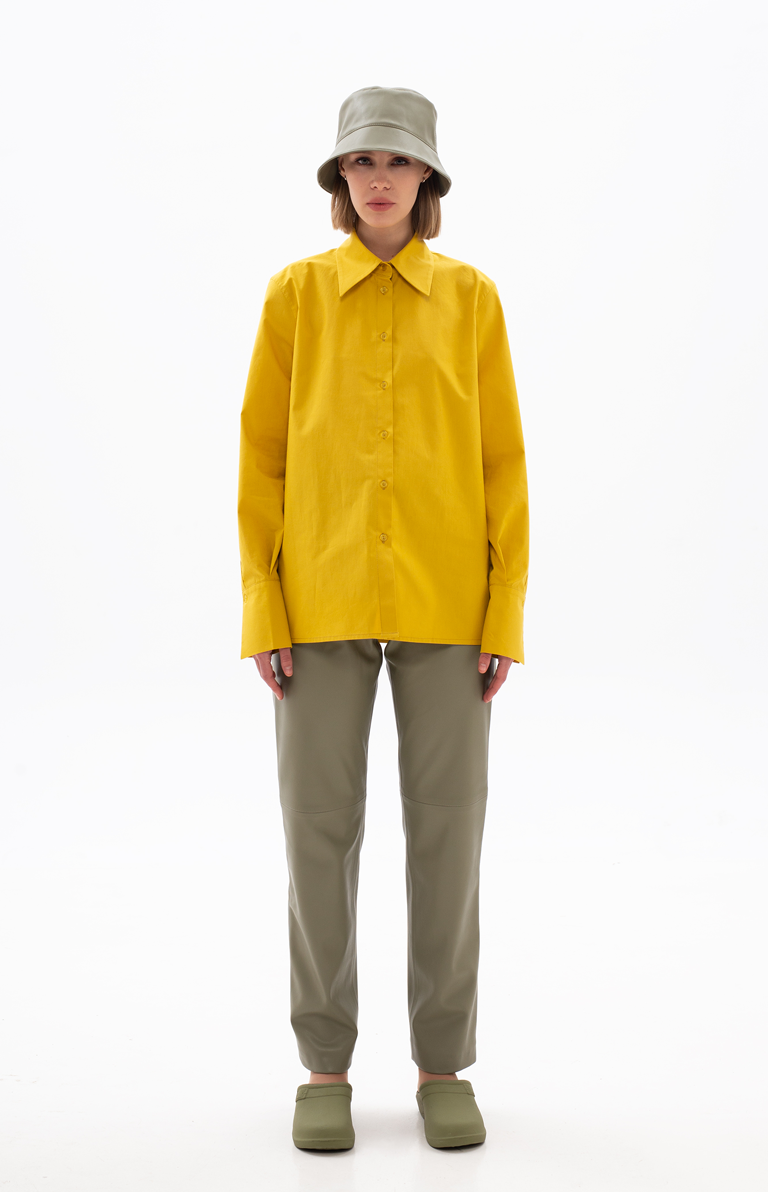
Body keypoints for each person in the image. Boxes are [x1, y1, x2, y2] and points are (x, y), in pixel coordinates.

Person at [237, 85, 529, 1151]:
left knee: (448, 833)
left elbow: (503, 461)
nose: (378, 179)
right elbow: (262, 458)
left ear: (428, 178)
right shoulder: (296, 295)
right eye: (360, 161)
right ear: (338, 177)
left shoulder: (473, 298)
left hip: (450, 602)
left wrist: (504, 612)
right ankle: (325, 1066)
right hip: (318, 599)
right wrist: (264, 604)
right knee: (317, 829)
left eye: (398, 161)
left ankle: (443, 1063)